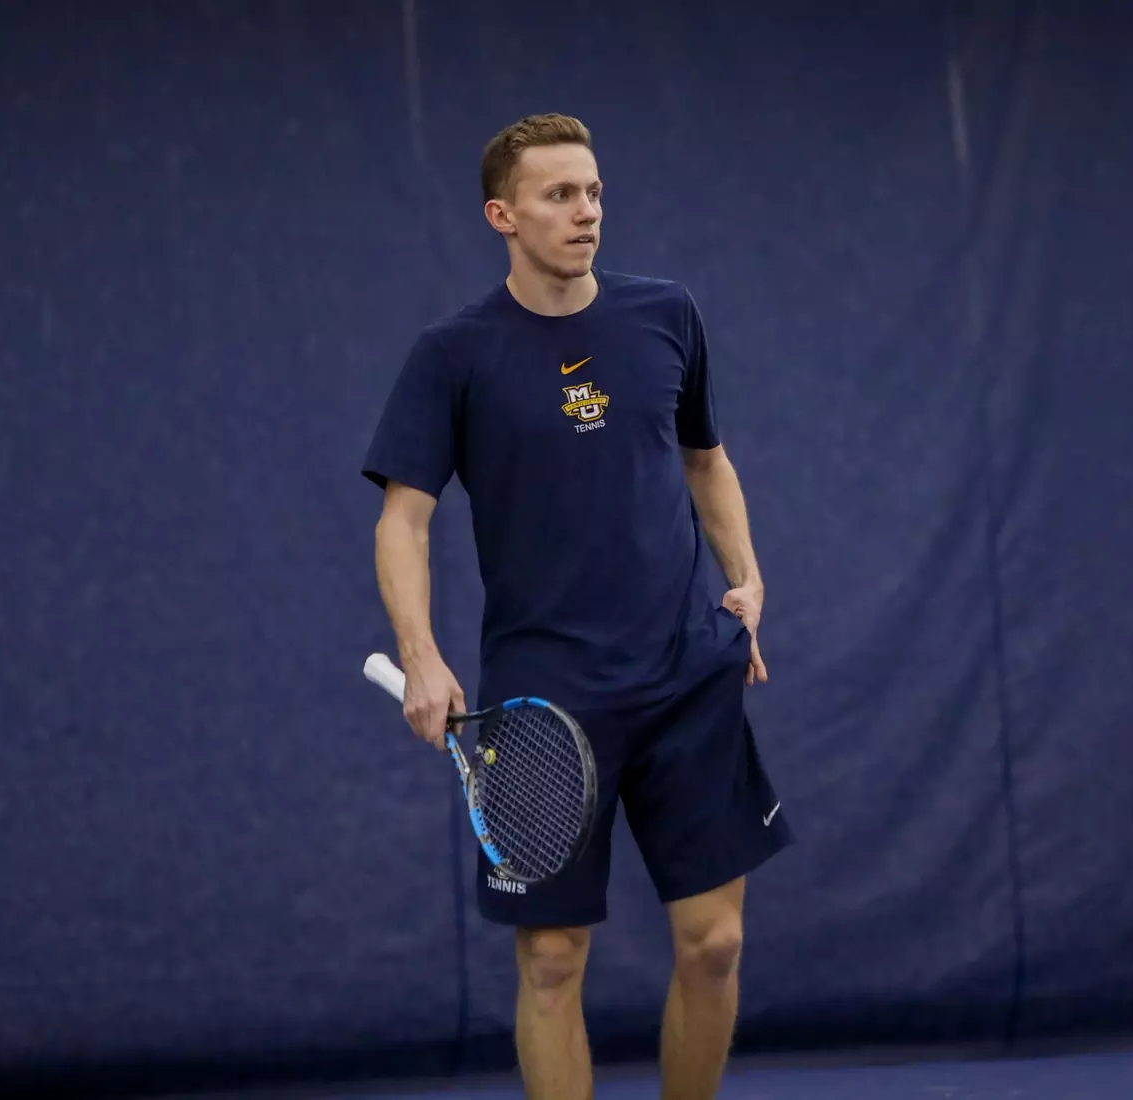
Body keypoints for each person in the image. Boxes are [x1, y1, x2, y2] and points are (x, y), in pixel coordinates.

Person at [362, 112, 792, 1100]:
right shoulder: (453, 355)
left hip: (687, 670)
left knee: (717, 940)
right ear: (502, 214)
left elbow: (706, 460)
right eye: (560, 195)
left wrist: (750, 577)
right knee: (552, 958)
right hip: (546, 697)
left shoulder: (665, 314)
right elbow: (404, 522)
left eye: (594, 191)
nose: (585, 211)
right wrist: (420, 653)